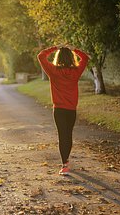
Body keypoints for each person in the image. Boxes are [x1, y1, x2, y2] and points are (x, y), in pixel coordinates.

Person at [37, 44, 90, 175]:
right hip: (71, 109)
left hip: (59, 109)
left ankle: (64, 164)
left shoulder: (53, 71)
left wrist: (55, 47)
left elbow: (41, 56)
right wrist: (74, 49)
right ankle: (66, 162)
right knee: (69, 134)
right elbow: (85, 57)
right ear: (71, 58)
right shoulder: (76, 72)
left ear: (58, 57)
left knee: (62, 135)